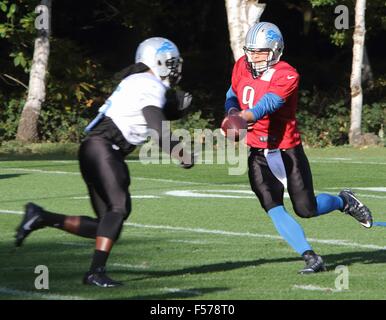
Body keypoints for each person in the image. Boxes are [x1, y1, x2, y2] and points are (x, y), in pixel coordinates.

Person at [14, 37, 194, 287]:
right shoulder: (148, 83)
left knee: (107, 224)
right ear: (160, 61)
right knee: (118, 209)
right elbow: (154, 123)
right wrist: (178, 151)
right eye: (172, 63)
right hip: (104, 147)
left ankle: (42, 217)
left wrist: (173, 109)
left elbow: (147, 114)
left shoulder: (138, 82)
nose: (175, 69)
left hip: (94, 148)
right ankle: (95, 272)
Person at [224, 22, 373, 273]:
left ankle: (343, 201)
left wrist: (242, 118)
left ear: (275, 51)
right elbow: (232, 93)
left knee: (306, 208)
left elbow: (267, 105)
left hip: (286, 150)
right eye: (250, 50)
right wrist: (230, 112)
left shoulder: (287, 74)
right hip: (257, 152)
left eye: (260, 52)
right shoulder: (242, 65)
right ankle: (310, 256)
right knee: (272, 205)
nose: (253, 57)